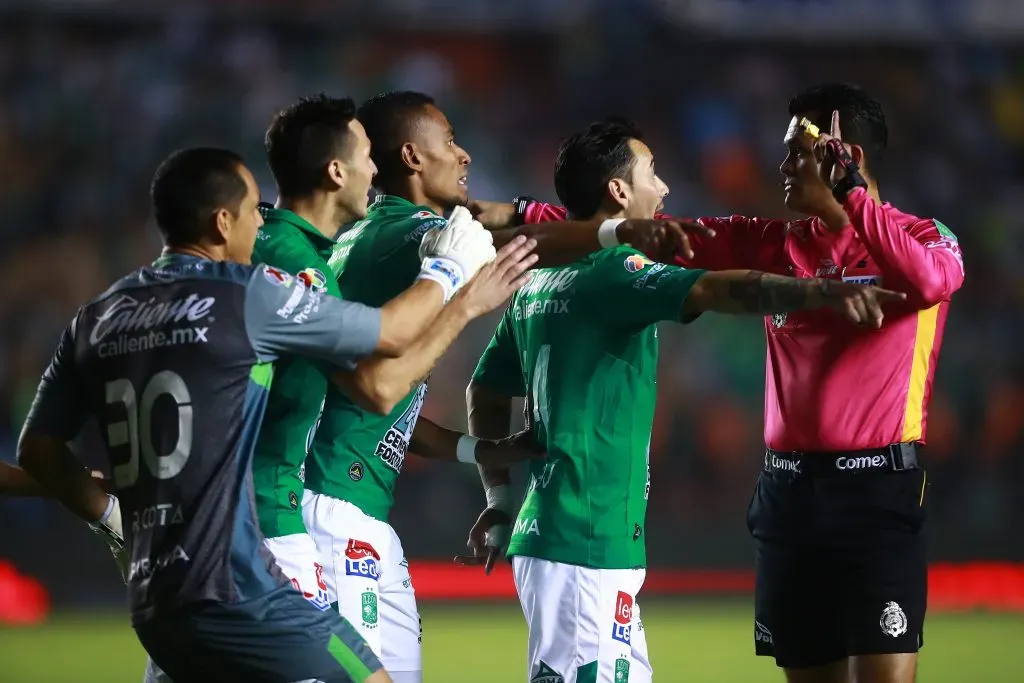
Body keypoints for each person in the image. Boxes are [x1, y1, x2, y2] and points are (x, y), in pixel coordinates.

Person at [480, 85, 964, 683]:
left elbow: (931, 285)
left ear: (848, 159)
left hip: (877, 495)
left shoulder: (924, 238)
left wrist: (856, 199)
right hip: (789, 494)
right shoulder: (777, 241)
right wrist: (532, 212)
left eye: (798, 153)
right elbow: (657, 231)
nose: (781, 164)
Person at [17, 146, 538, 683]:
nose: (260, 224)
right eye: (251, 213)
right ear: (223, 222)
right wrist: (456, 279)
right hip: (239, 583)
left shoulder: (98, 317)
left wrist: (107, 512)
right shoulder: (246, 297)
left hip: (154, 596)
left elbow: (36, 449)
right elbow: (390, 341)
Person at [300, 91, 714, 683]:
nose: (464, 155)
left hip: (349, 504)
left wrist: (476, 451)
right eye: (450, 142)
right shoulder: (404, 232)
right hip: (338, 509)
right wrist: (617, 235)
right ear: (414, 157)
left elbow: (372, 404)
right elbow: (513, 245)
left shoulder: (361, 241)